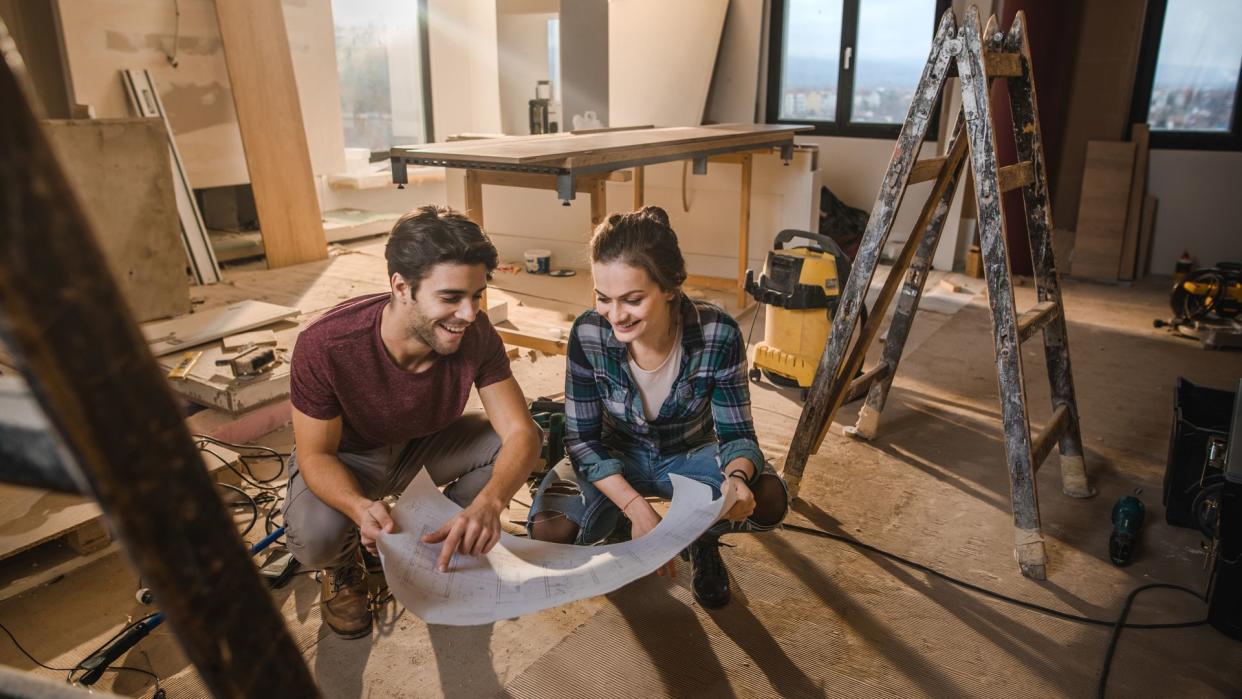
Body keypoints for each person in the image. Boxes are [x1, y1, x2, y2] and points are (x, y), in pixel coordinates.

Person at [284, 205, 542, 638]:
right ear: (401, 287)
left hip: (422, 446)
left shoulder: (476, 335)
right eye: (450, 298)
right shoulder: (327, 345)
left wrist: (491, 503)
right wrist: (358, 508)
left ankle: (444, 538)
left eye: (477, 295)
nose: (470, 313)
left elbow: (521, 432)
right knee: (315, 539)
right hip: (350, 457)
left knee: (510, 451)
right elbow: (315, 453)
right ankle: (345, 568)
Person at [526, 206, 788, 609]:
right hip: (616, 456)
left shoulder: (717, 332)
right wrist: (635, 508)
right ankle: (618, 522)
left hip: (688, 456)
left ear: (670, 287)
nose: (615, 315)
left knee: (767, 496)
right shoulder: (588, 332)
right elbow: (582, 442)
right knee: (549, 531)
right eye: (603, 298)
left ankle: (702, 539)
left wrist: (735, 480)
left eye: (632, 299)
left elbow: (736, 435)